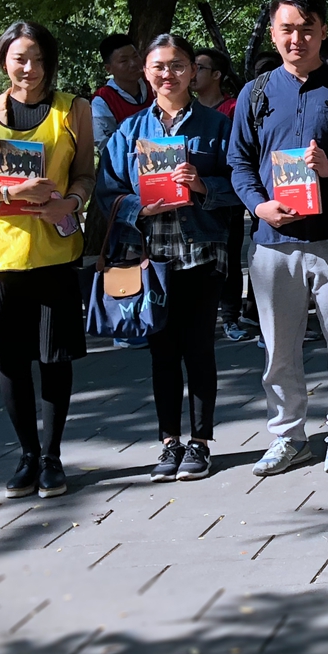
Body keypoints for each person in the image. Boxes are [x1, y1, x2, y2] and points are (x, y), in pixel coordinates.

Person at [227, 0, 328, 477]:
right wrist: (259, 206)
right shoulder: (255, 93)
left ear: (322, 31)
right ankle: (288, 435)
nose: (296, 38)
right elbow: (239, 162)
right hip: (273, 242)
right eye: (287, 29)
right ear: (274, 33)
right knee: (279, 349)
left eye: (306, 28)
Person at [0, 22, 96, 498]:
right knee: (10, 361)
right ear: (3, 61)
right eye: (18, 58)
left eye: (37, 58)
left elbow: (86, 176)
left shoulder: (73, 110)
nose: (28, 68)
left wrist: (69, 203)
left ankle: (52, 457)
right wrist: (7, 192)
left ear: (50, 61)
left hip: (54, 253)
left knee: (55, 358)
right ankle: (26, 455)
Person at [96, 35, 239, 482]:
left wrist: (203, 185)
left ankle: (200, 441)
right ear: (146, 72)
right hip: (150, 255)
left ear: (192, 71)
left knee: (198, 348)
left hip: (202, 250)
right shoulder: (130, 131)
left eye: (178, 65)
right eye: (158, 66)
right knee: (161, 351)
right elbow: (107, 190)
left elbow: (242, 183)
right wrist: (138, 208)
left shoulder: (217, 126)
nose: (168, 74)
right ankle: (168, 441)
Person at [194, 47, 252, 342]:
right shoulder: (186, 112)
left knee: (228, 259)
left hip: (225, 201)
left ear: (216, 74)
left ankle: (231, 317)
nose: (192, 72)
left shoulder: (232, 108)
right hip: (191, 205)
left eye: (199, 67)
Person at [90, 34, 150, 153]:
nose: (133, 64)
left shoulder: (154, 85)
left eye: (135, 56)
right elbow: (107, 146)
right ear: (108, 69)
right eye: (124, 61)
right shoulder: (103, 100)